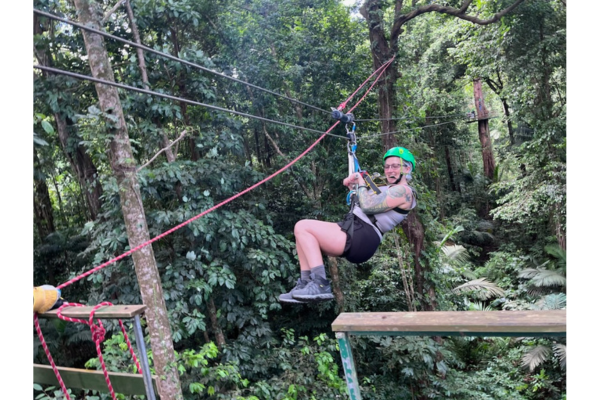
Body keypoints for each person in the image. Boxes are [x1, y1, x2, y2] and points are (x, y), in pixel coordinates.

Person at [279, 147, 417, 303]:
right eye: (387, 166)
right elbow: (367, 198)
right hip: (354, 228)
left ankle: (320, 283)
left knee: (303, 227)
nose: (390, 170)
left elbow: (368, 206)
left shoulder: (405, 192)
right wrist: (354, 187)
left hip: (363, 235)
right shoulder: (385, 189)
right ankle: (305, 283)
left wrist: (360, 183)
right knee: (301, 234)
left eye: (395, 166)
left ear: (407, 168)